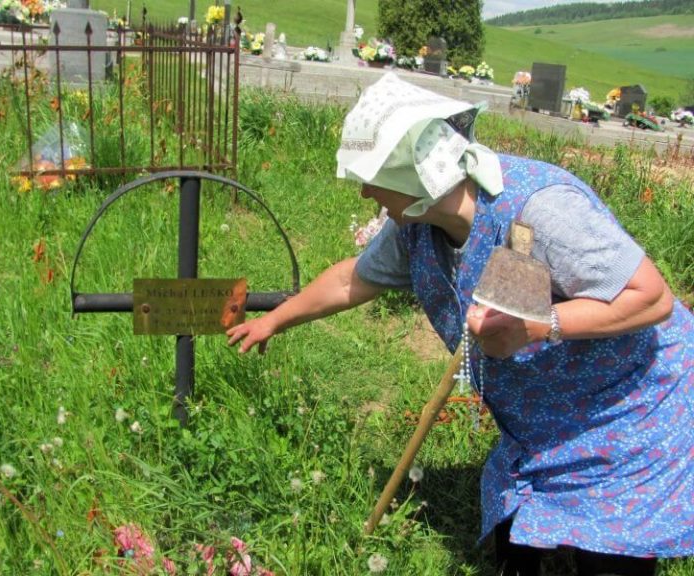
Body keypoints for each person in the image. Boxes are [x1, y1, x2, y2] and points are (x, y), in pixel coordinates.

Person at [226, 73, 694, 575]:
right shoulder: (418, 228)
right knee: (516, 548)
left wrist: (541, 325)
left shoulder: (539, 209)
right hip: (548, 416)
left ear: (416, 177)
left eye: (373, 177)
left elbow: (651, 298)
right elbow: (352, 280)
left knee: (609, 555)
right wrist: (274, 320)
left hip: (631, 404)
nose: (364, 192)